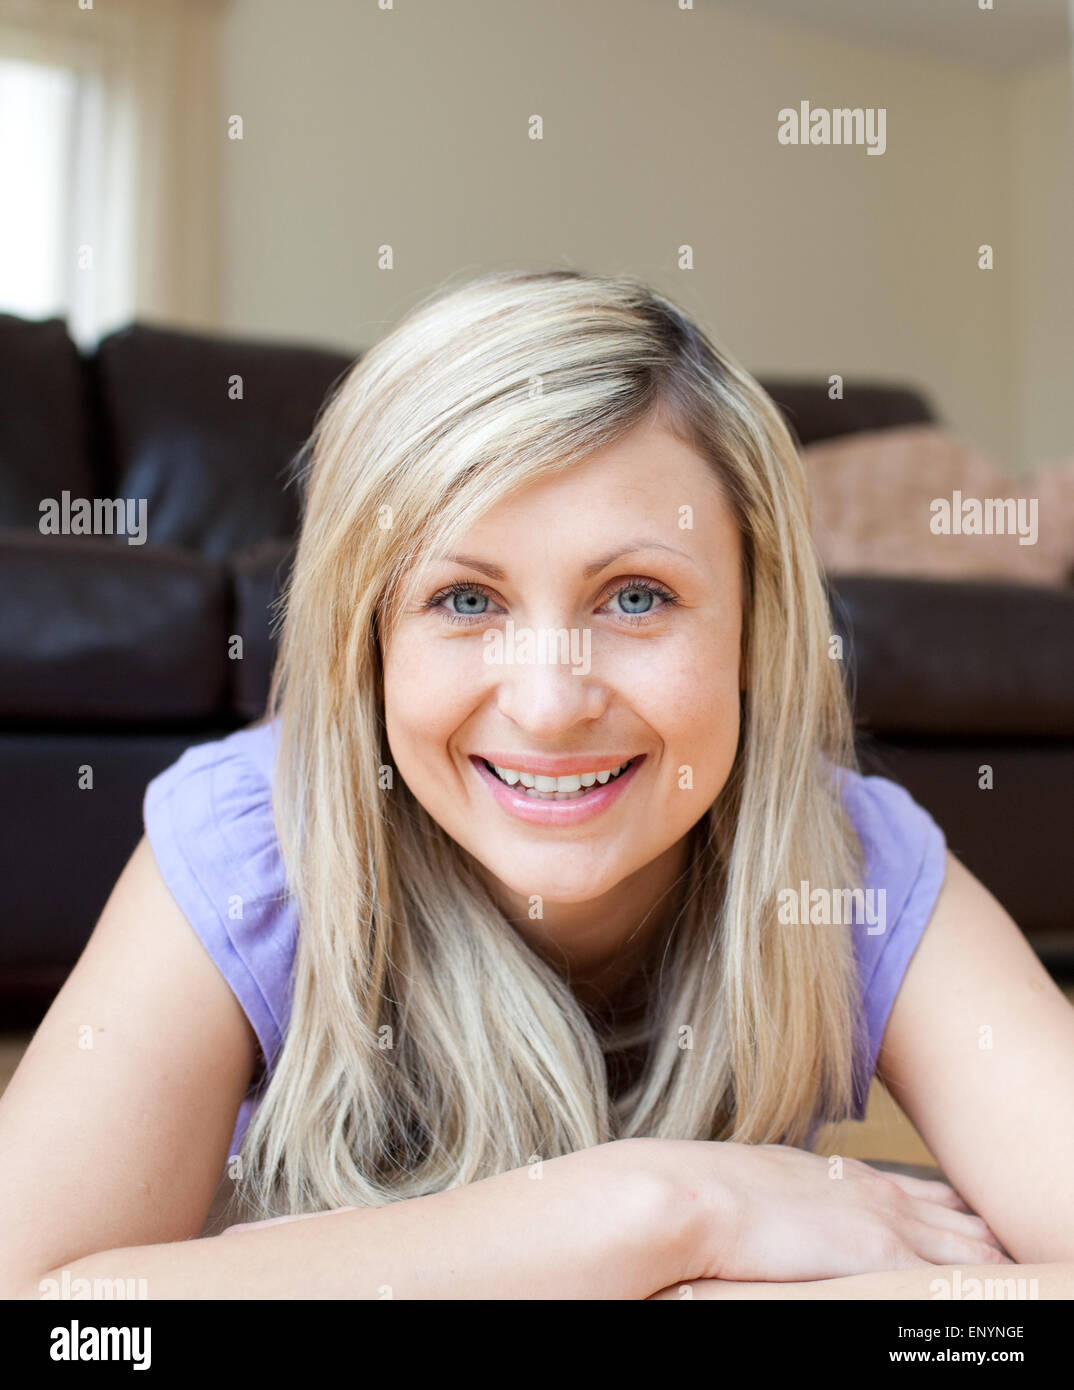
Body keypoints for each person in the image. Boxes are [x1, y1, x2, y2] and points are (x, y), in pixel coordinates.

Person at [4, 269, 1073, 1300]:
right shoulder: (255, 844)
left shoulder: (848, 861)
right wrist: (664, 1208)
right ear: (365, 642)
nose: (551, 703)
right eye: (465, 600)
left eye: (639, 595)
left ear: (757, 628)